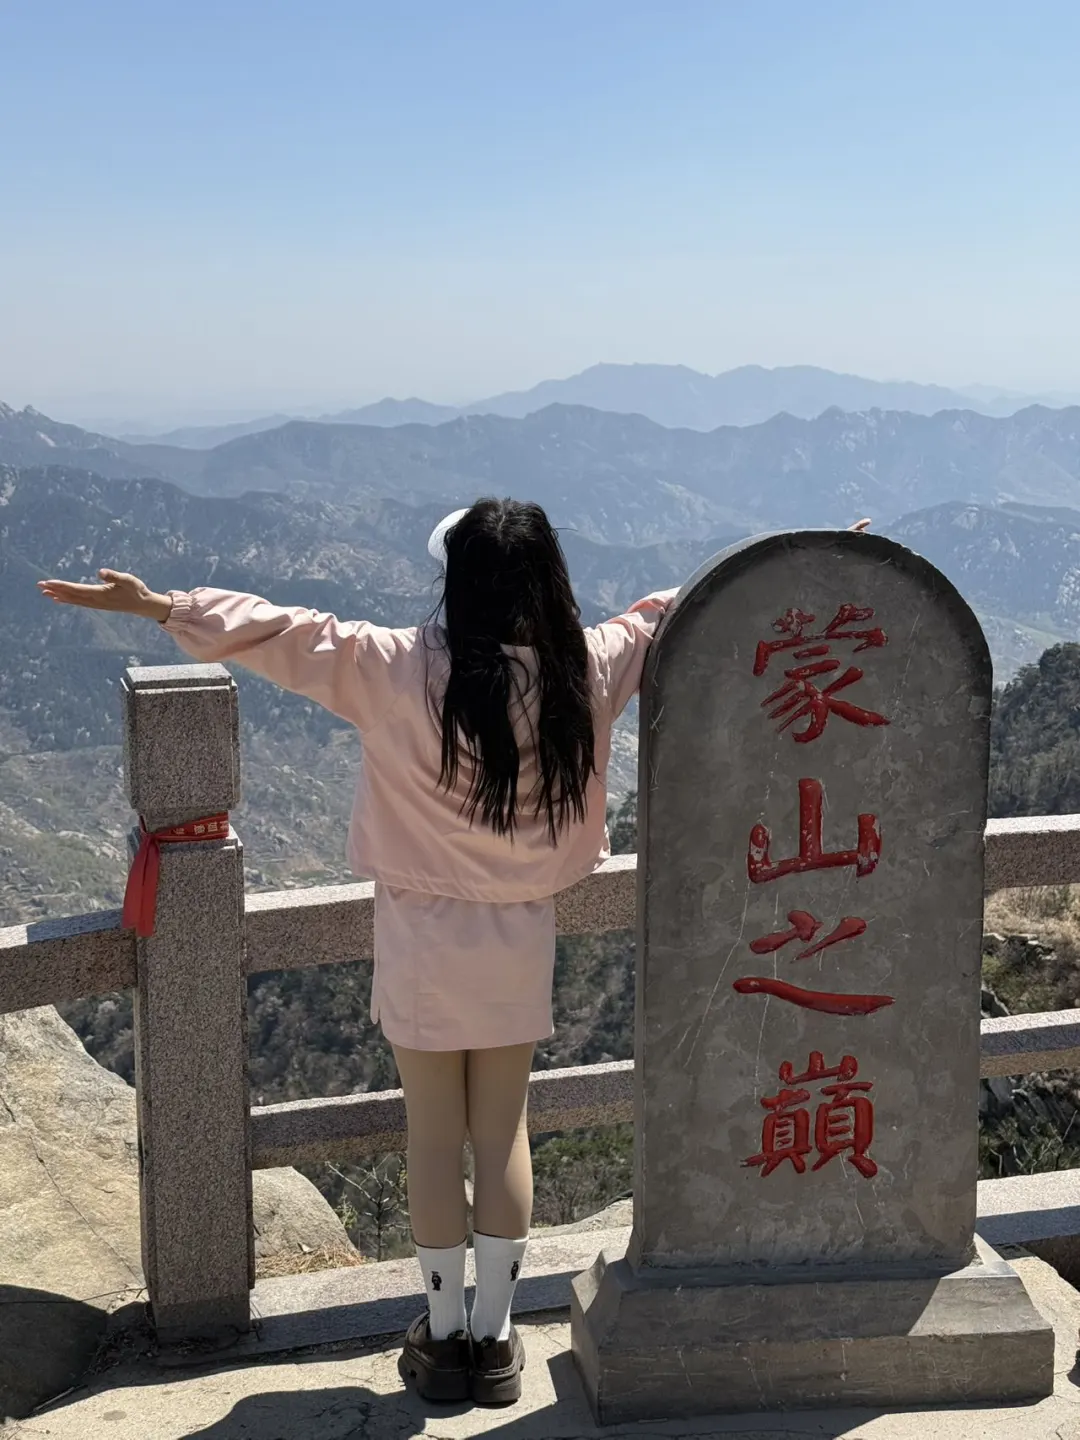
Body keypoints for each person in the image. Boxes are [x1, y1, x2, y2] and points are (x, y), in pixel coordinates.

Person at [37, 501, 871, 1407]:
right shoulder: (581, 672)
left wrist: (162, 605)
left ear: (456, 581)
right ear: (547, 579)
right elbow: (667, 613)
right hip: (522, 932)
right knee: (501, 1129)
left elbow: (287, 632)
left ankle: (442, 1340)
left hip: (420, 931)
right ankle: (499, 1335)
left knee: (433, 1137)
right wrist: (808, 561)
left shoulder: (393, 667)